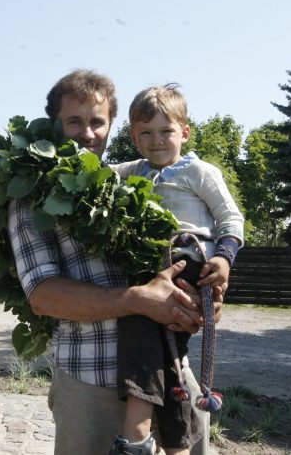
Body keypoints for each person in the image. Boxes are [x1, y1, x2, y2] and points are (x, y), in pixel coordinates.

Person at [7, 70, 221, 455]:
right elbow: (43, 295)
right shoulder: (31, 199)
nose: (87, 133)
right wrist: (139, 300)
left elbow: (178, 258)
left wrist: (200, 300)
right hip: (91, 383)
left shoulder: (133, 184)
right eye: (74, 121)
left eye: (97, 122)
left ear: (111, 127)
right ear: (54, 125)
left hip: (170, 373)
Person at [111, 84, 244, 455]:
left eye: (166, 131)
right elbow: (96, 176)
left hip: (189, 264)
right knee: (168, 364)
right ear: (134, 138)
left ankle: (134, 437)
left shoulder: (199, 172)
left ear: (184, 132)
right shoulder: (130, 172)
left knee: (137, 324)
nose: (156, 141)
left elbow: (230, 217)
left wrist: (225, 258)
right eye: (146, 133)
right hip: (149, 268)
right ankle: (177, 447)